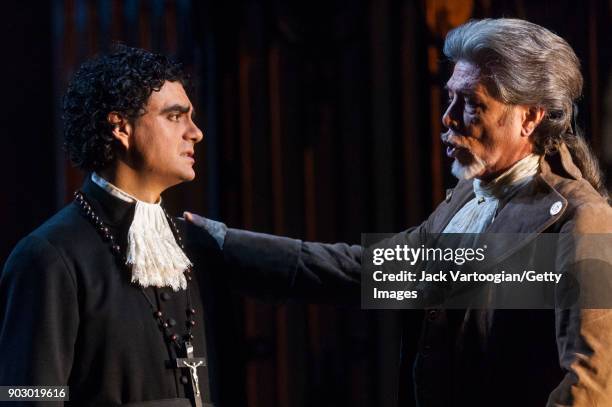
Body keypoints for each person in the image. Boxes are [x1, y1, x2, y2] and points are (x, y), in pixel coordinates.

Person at [187, 18, 612, 406]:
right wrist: (221, 245)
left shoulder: (579, 218)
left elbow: (592, 384)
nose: (447, 118)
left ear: (530, 118)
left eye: (472, 104)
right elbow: (363, 274)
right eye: (450, 98)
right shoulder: (464, 204)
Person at [0, 45, 266, 407]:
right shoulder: (48, 256)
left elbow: (310, 268)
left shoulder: (189, 241)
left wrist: (375, 282)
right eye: (176, 117)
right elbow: (27, 397)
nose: (196, 133)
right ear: (121, 127)